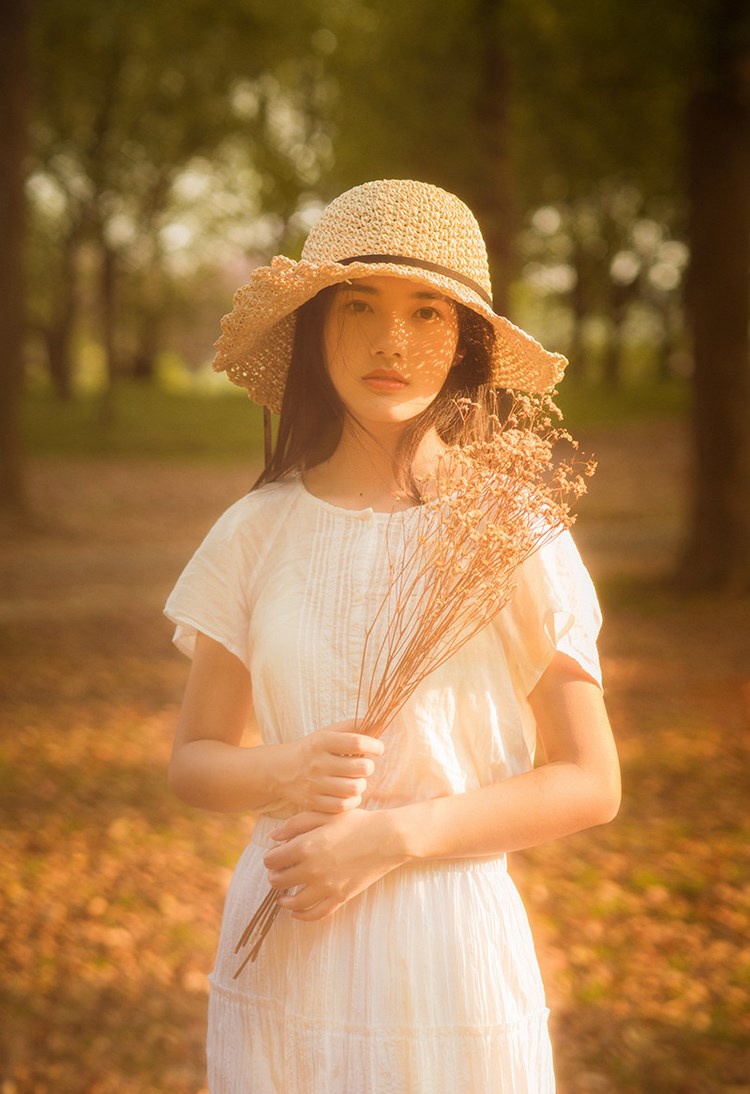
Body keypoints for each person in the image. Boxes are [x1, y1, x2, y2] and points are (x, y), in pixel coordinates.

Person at [165, 178, 621, 1094]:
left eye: (428, 313)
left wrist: (393, 838)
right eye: (359, 306)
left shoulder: (511, 531)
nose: (391, 341)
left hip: (445, 948)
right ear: (312, 329)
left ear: (466, 343)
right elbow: (195, 761)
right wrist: (285, 771)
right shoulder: (257, 532)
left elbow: (590, 781)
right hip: (285, 936)